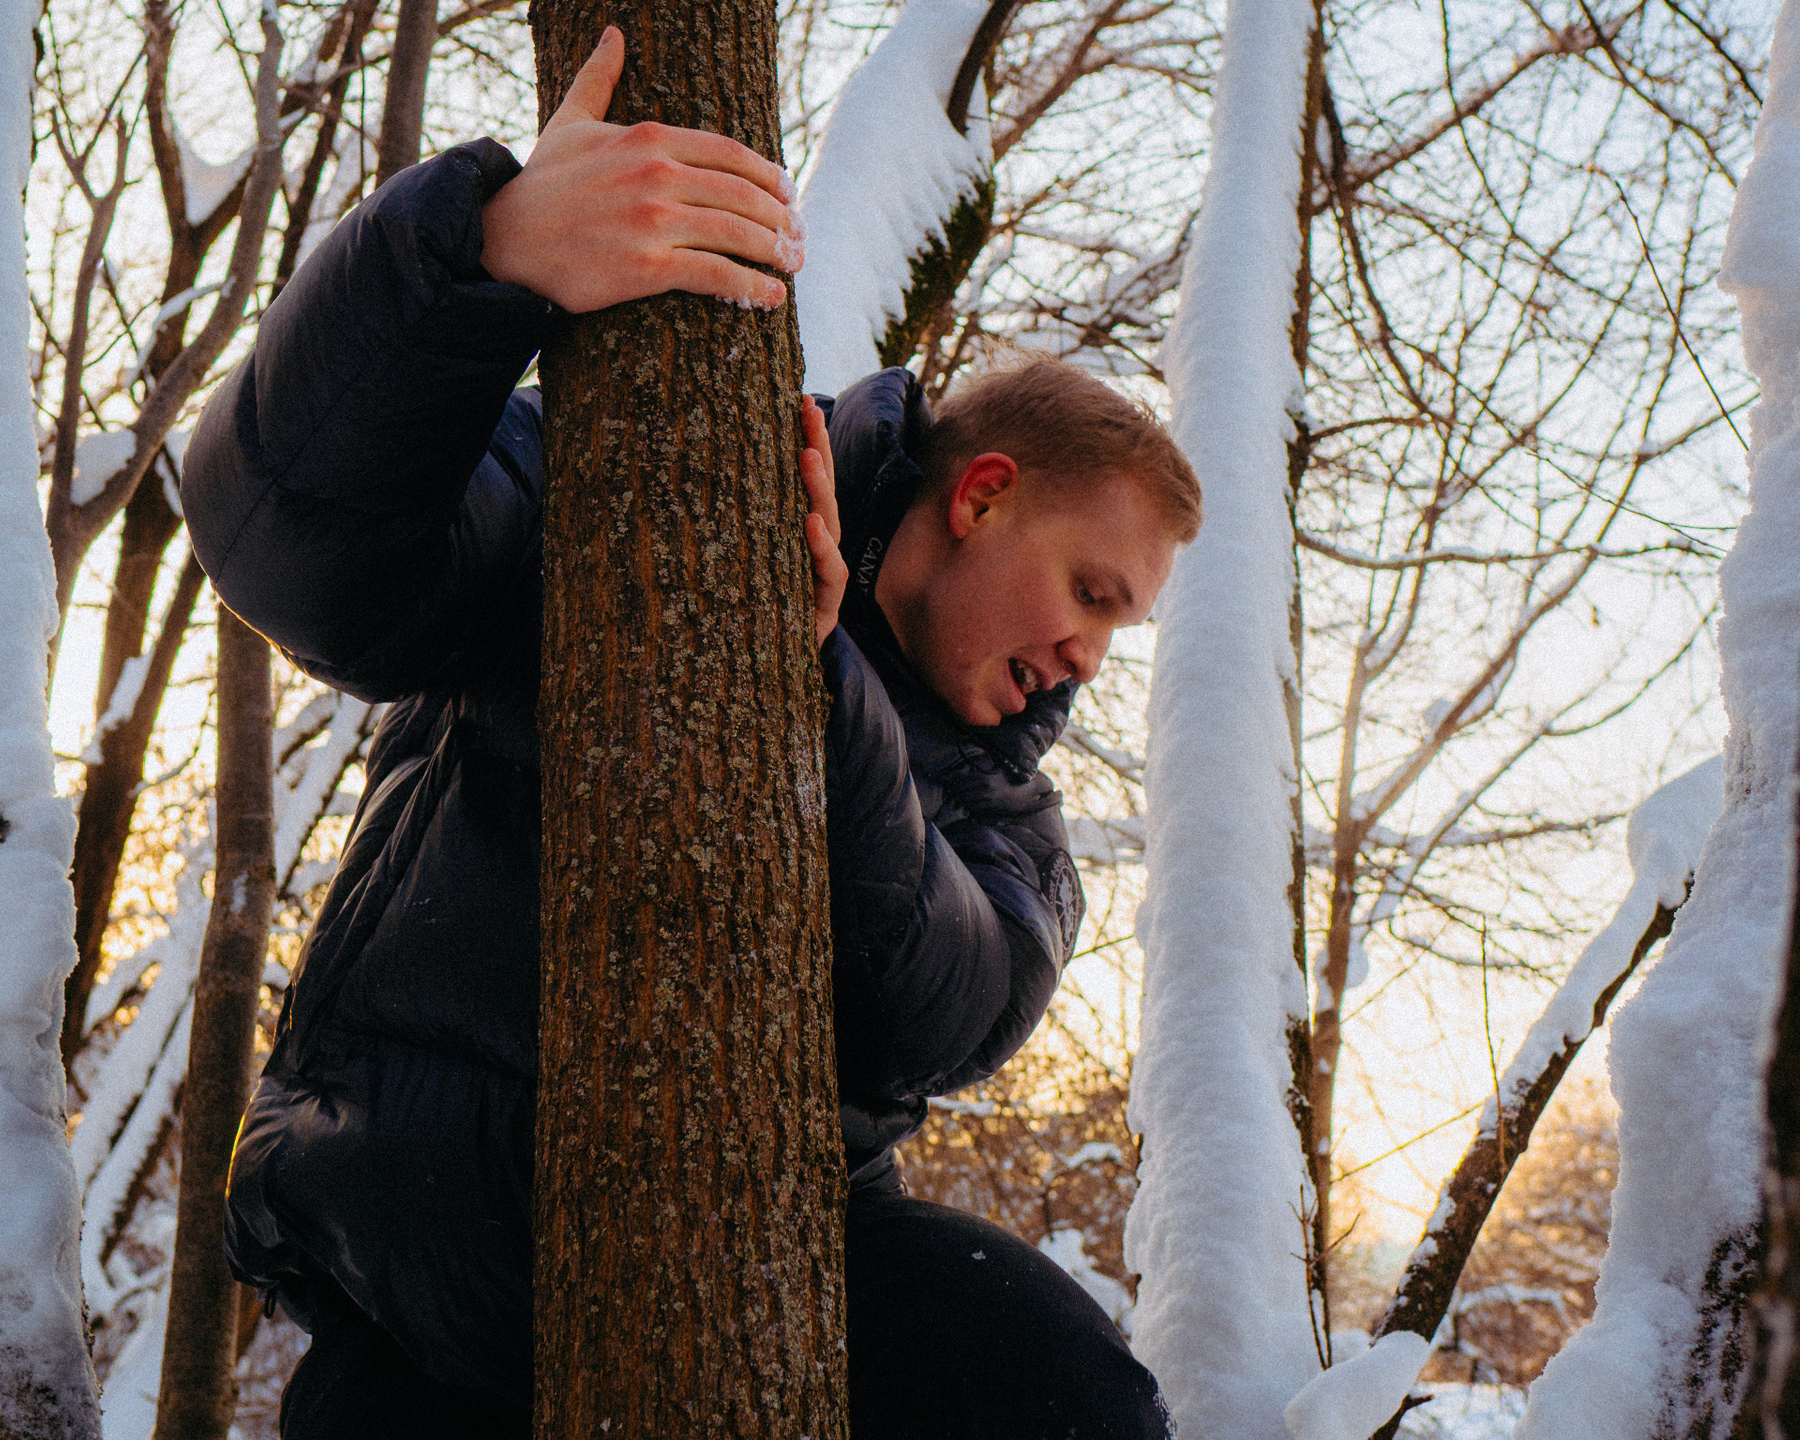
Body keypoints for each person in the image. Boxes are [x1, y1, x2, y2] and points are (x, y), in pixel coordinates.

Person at [187, 27, 1200, 1439]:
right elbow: (286, 544)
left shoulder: (1005, 808)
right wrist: (479, 250)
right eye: (1093, 593)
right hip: (429, 1248)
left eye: (1120, 629)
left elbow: (950, 1013)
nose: (1089, 658)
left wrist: (816, 672)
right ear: (980, 495)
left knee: (1064, 1392)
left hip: (777, 1263)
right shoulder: (640, 467)